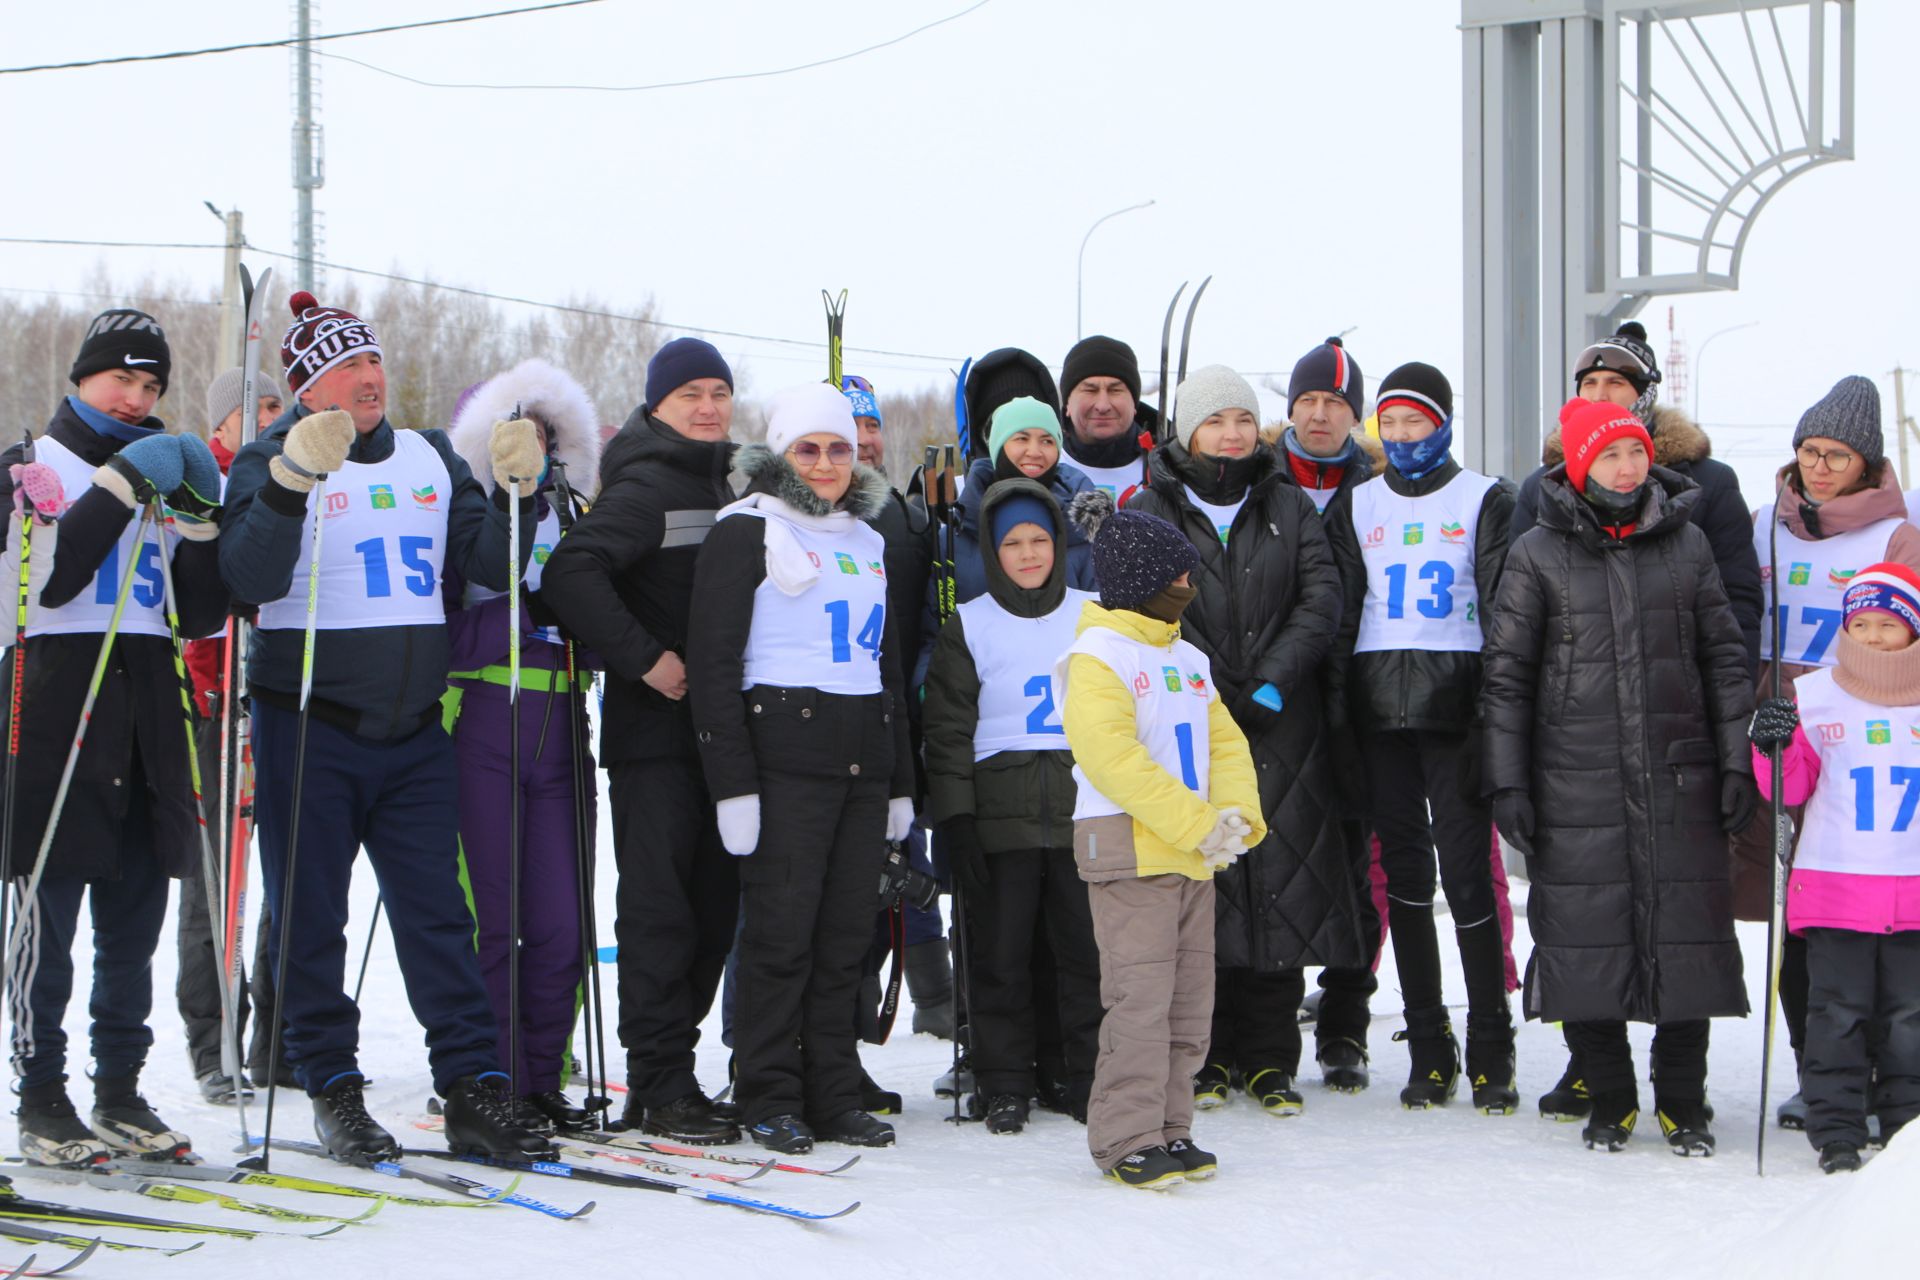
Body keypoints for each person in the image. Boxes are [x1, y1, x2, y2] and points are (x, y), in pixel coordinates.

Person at [219, 290, 549, 1161]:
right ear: (306, 388)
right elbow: (245, 579)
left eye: (370, 362)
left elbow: (488, 566)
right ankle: (331, 1085)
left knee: (439, 915)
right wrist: (292, 480)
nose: (365, 380)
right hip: (308, 726)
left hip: (411, 732)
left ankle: (472, 1087)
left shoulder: (431, 456)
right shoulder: (265, 456)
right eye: (341, 368)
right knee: (311, 917)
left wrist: (524, 491)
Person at [1484, 395, 1756, 1155]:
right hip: (1575, 782)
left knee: (1688, 942)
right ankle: (1609, 1096)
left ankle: (1682, 1100)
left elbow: (1725, 660)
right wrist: (1508, 782)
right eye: (1610, 455)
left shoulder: (1688, 543)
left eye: (1636, 452)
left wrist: (1737, 759)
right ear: (1578, 465)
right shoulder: (1537, 552)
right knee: (1583, 943)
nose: (1628, 467)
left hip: (1680, 777)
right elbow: (1507, 676)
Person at [2, 309, 229, 1165]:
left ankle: (120, 1088)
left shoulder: (159, 471)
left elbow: (202, 613)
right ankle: (41, 1092)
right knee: (48, 921)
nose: (136, 399)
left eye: (151, 386)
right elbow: (53, 584)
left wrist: (201, 521)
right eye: (121, 380)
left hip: (145, 709)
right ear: (81, 378)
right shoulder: (32, 466)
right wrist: (121, 486)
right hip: (56, 705)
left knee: (133, 918)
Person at [686, 383, 916, 1155]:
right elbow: (714, 666)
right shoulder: (743, 532)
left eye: (839, 448)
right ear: (781, 454)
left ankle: (832, 1089)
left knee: (843, 939)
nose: (825, 463)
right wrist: (734, 785)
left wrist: (899, 783)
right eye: (808, 449)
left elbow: (885, 668)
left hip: (861, 763)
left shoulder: (869, 538)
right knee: (780, 938)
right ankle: (768, 1092)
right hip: (783, 762)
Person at [1123, 365, 1358, 1117]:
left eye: (1242, 419)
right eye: (1215, 419)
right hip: (1190, 721)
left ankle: (1269, 1059)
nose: (1231, 432)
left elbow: (1322, 597)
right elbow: (1145, 604)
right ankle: (1208, 1055)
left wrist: (1274, 679)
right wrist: (1215, 687)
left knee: (1279, 881)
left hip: (1280, 725)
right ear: (1188, 430)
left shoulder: (1284, 501)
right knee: (1208, 883)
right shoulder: (1153, 505)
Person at [539, 338, 743, 1145]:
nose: (706, 406)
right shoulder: (646, 485)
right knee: (663, 913)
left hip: (721, 738)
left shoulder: (729, 483)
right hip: (656, 740)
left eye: (719, 392)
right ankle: (658, 1081)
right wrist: (644, 660)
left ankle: (670, 1076)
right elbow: (570, 573)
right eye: (690, 392)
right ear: (656, 404)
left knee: (714, 912)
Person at [1057, 493, 1265, 1189]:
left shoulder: (1189, 657)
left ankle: (1171, 1127)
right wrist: (1196, 821)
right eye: (1178, 575)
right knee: (1140, 999)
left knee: (1186, 1003)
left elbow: (1226, 742)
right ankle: (1126, 1137)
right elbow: (1112, 759)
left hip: (1191, 854)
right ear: (1142, 580)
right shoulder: (1098, 656)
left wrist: (1235, 813)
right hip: (1129, 850)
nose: (1190, 586)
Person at [1334, 361, 1518, 1111]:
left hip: (1455, 703)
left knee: (1469, 873)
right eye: (1392, 422)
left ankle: (1491, 1043)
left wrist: (1493, 707)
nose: (1405, 436)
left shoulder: (1486, 499)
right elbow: (1345, 607)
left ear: (1443, 422)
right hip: (1380, 707)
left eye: (1417, 420)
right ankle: (1428, 1041)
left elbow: (1506, 608)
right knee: (1403, 878)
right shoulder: (1358, 502)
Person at [1743, 375, 1920, 1129]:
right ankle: (1819, 1072)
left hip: (1871, 726)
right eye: (1809, 452)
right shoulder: (1764, 523)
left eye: (1836, 455)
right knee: (1801, 917)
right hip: (1786, 729)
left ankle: (1890, 1075)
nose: (1818, 468)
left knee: (1875, 924)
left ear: (1866, 463)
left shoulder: (1894, 535)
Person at [445, 358, 603, 1130]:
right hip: (485, 716)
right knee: (496, 916)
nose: (530, 449)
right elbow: (466, 585)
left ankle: (543, 1073)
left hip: (561, 720)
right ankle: (492, 1075)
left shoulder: (573, 509)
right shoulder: (472, 501)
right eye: (516, 433)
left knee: (562, 920)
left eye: (542, 436)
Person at [923, 479, 1100, 1134]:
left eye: (1039, 541)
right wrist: (957, 820)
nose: (1028, 554)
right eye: (1013, 544)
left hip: (1083, 816)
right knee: (999, 955)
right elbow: (945, 734)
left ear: (1058, 545)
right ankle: (1004, 1080)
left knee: (1081, 954)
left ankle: (1075, 1073)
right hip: (1000, 820)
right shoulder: (968, 623)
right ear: (994, 553)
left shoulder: (1093, 614)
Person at [1749, 563, 1920, 1173]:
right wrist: (1775, 744)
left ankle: (1906, 1130)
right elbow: (1788, 789)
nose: (1873, 636)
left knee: (1909, 1018)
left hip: (1914, 892)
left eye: (1889, 624)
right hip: (1836, 888)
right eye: (1862, 623)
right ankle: (1837, 1128)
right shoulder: (1818, 693)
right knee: (1838, 1014)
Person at [1271, 337, 1395, 1089]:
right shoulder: (1256, 480)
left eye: (1336, 404)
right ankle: (1270, 1020)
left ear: (1356, 416)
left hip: (1357, 702)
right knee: (1275, 863)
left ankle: (1346, 1023)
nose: (1320, 416)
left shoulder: (1377, 489)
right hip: (1275, 700)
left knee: (1355, 870)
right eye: (1308, 401)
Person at [176, 364, 287, 1104]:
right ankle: (214, 1038)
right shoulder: (206, 489)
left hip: (289, 701)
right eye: (257, 407)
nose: (273, 417)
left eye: (280, 403)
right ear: (222, 425)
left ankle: (282, 1039)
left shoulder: (301, 479)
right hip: (219, 708)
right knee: (218, 881)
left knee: (294, 874)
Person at [844, 374, 951, 1043]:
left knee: (908, 866)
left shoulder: (907, 519)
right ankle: (833, 1029)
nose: (864, 441)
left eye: (872, 427)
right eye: (850, 428)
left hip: (898, 729)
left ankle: (937, 997)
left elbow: (925, 624)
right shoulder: (789, 519)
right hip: (824, 734)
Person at [1059, 336, 1158, 504]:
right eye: (1090, 390)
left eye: (1115, 390)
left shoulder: (1165, 468)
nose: (1103, 405)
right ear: (1068, 404)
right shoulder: (1042, 463)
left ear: (1134, 403)